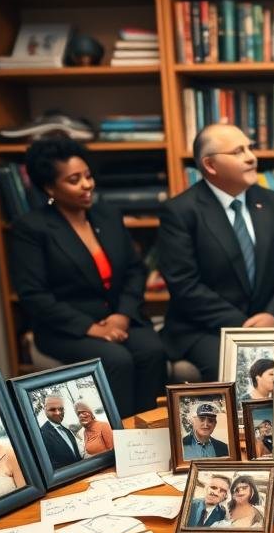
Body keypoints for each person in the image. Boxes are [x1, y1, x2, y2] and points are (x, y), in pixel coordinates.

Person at [9, 137, 167, 418]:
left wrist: (122, 315)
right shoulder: (30, 229)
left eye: (88, 176)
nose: (87, 185)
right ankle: (121, 443)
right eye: (74, 180)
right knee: (116, 360)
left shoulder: (108, 215)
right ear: (49, 187)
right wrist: (90, 328)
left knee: (152, 350)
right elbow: (34, 295)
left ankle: (153, 434)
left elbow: (134, 270)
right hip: (67, 328)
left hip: (117, 318)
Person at [157, 123, 274, 380]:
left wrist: (273, 315)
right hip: (206, 329)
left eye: (250, 148)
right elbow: (184, 285)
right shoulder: (180, 212)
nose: (251, 157)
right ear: (210, 165)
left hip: (271, 322)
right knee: (244, 374)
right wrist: (244, 326)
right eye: (238, 152)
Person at [38, 394, 82, 469]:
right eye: (52, 409)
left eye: (61, 409)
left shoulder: (66, 429)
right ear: (45, 410)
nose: (58, 413)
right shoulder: (41, 434)